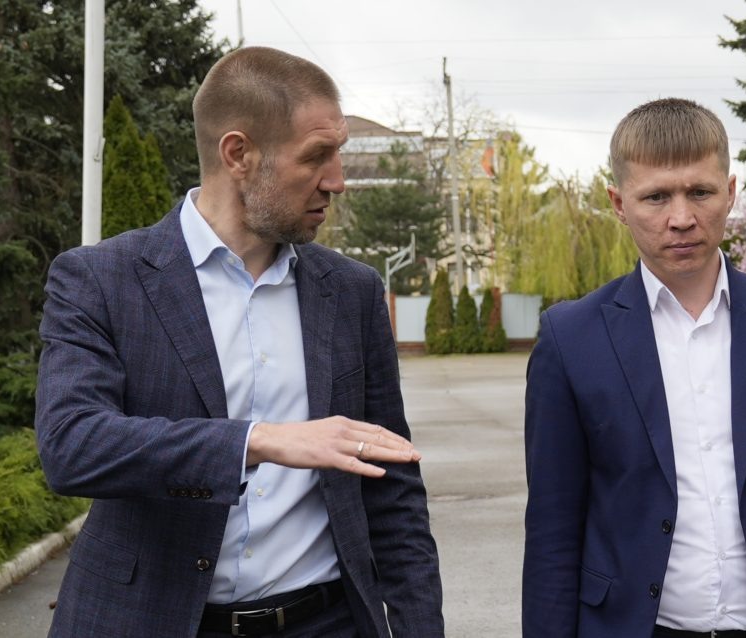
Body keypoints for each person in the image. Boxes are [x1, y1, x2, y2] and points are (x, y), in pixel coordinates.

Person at [35, 47, 444, 638]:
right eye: (317, 156)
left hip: (326, 622)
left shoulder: (352, 291)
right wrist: (260, 441)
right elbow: (72, 445)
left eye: (339, 153)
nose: (337, 181)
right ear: (238, 154)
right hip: (152, 621)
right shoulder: (101, 279)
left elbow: (393, 488)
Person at [522, 98, 746, 638]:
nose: (681, 218)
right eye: (655, 197)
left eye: (700, 191)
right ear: (619, 203)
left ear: (731, 191)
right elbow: (552, 534)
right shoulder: (571, 338)